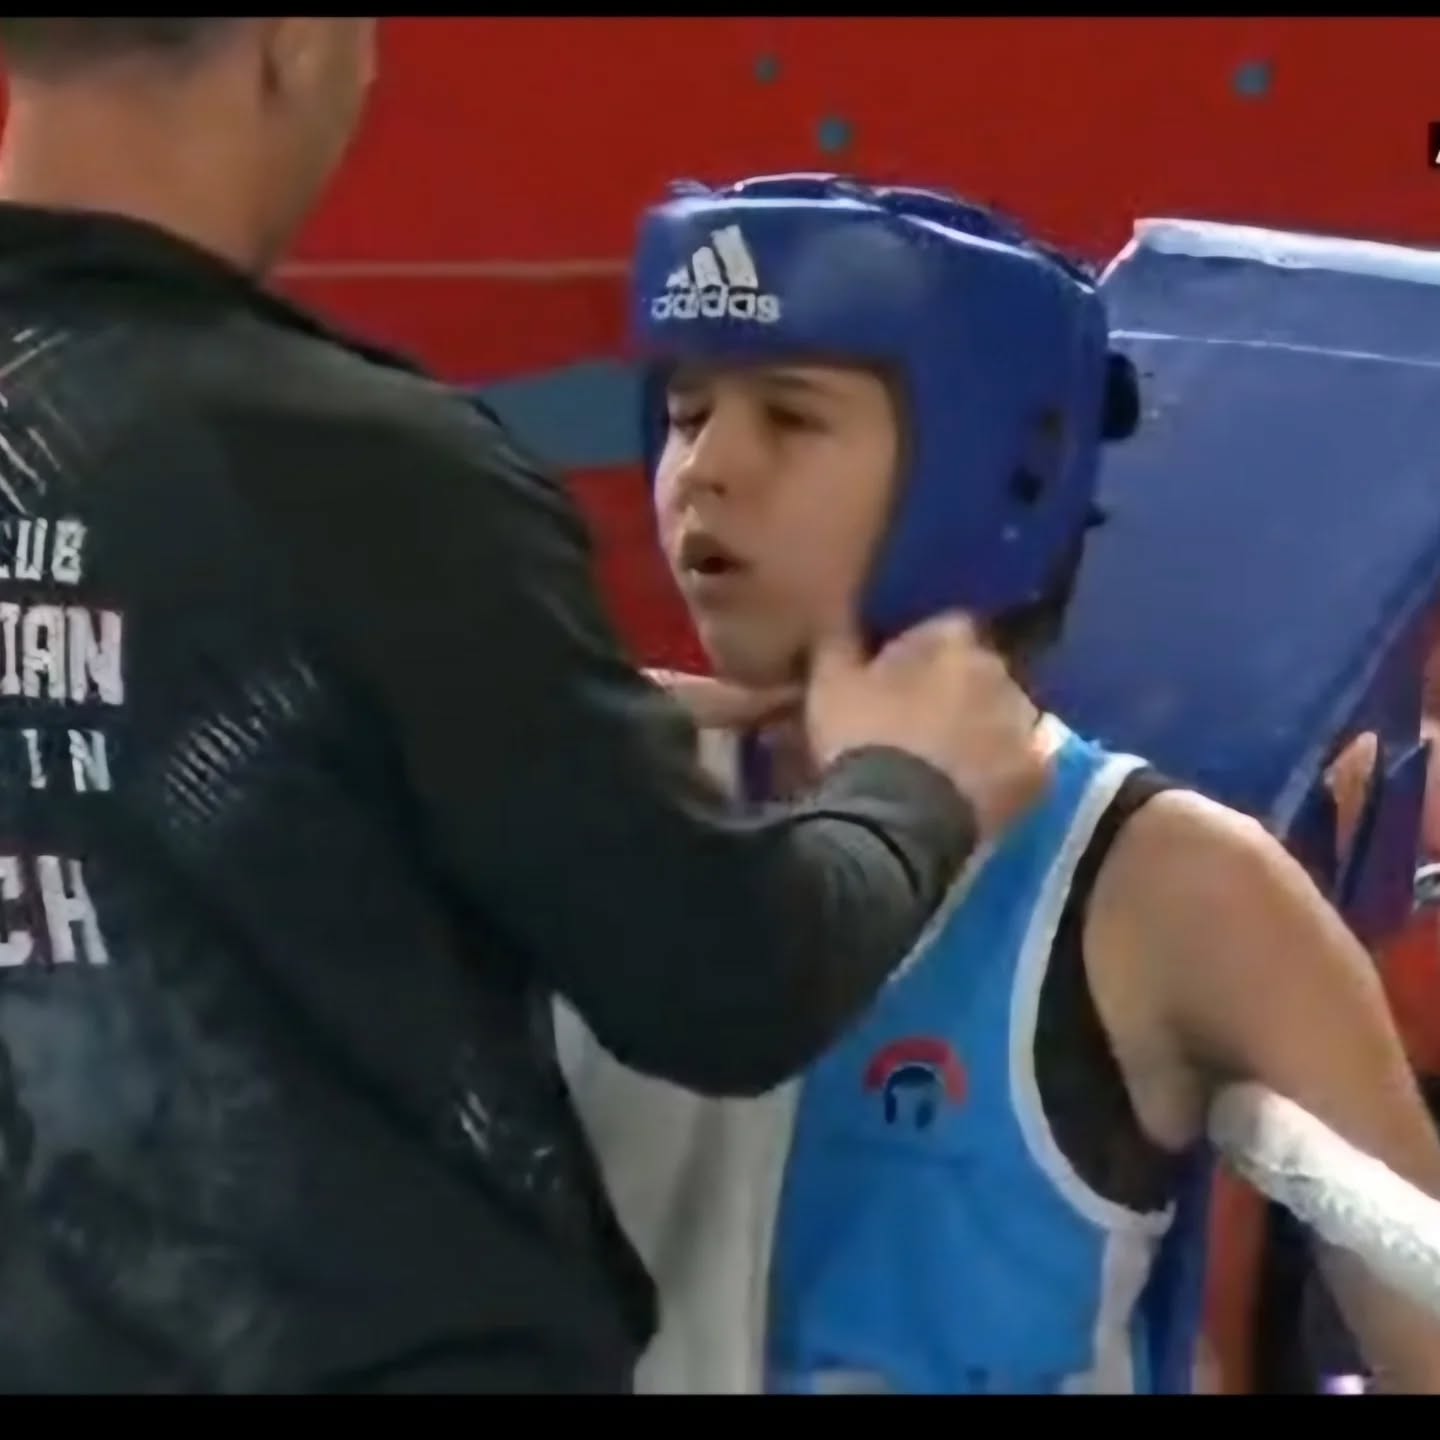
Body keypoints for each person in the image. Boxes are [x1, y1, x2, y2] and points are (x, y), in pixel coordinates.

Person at [0, 23, 1049, 1393]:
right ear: (293, 43)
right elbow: (724, 983)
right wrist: (909, 788)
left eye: (790, 418)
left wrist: (492, 728)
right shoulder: (356, 471)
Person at [560, 174, 1440, 1394]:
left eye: (790, 418)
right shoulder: (578, 796)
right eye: (688, 412)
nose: (703, 469)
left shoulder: (1173, 885)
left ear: (987, 463)